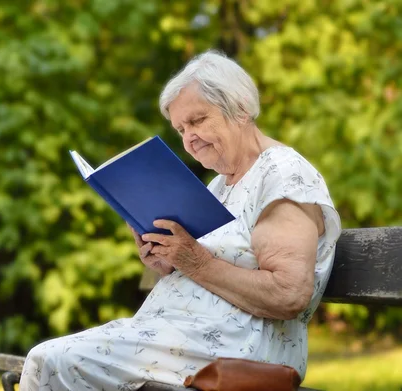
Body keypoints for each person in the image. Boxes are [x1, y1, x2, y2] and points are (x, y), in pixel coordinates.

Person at [19, 50, 341, 391]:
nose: (189, 137)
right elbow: (211, 265)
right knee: (51, 361)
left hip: (238, 353)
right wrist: (164, 257)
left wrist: (194, 261)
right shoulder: (221, 183)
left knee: (51, 361)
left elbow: (289, 294)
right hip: (184, 338)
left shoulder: (282, 175)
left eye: (198, 120)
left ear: (241, 108)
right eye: (180, 128)